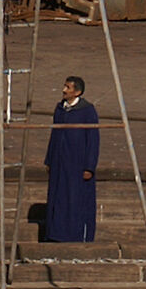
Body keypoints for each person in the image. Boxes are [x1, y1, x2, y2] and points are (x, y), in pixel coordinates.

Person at [42, 76, 100, 242]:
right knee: (57, 198)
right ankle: (55, 234)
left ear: (77, 92)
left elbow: (93, 140)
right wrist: (49, 160)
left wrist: (89, 167)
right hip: (59, 162)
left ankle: (76, 236)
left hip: (77, 163)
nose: (64, 90)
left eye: (68, 87)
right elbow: (54, 135)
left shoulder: (87, 111)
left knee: (75, 199)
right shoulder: (60, 109)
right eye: (64, 86)